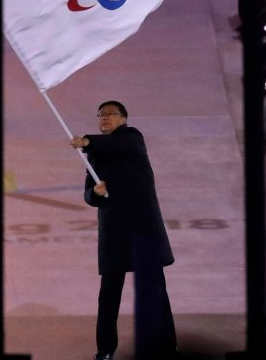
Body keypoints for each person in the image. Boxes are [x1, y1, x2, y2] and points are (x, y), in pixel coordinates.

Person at [70, 101, 176, 360]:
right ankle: (105, 351)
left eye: (110, 114)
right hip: (114, 233)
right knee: (108, 298)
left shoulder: (132, 138)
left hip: (142, 228)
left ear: (124, 118)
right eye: (100, 115)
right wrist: (93, 193)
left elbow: (118, 145)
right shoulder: (95, 155)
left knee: (155, 293)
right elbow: (88, 194)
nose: (104, 118)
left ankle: (168, 347)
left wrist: (86, 142)